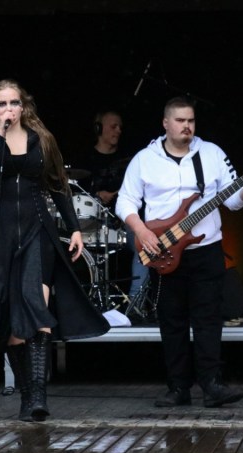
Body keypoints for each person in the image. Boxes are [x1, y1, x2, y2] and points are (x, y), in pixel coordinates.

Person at [0, 79, 109, 422]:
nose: (9, 109)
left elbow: (58, 185)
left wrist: (74, 227)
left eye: (14, 102)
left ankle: (40, 396)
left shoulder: (41, 139)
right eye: (2, 104)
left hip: (37, 233)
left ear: (24, 106)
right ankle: (27, 395)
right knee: (13, 321)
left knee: (36, 308)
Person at [116, 96, 243, 408]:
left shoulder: (212, 154)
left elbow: (233, 201)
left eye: (191, 120)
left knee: (208, 319)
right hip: (163, 250)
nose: (187, 126)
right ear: (165, 123)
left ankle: (212, 385)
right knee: (172, 321)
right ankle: (178, 388)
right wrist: (142, 231)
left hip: (206, 249)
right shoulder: (144, 159)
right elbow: (125, 201)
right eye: (180, 120)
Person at [75, 109, 150, 306]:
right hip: (91, 224)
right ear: (98, 128)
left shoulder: (129, 161)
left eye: (120, 127)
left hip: (123, 225)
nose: (118, 131)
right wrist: (96, 196)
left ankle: (135, 306)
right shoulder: (84, 159)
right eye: (113, 126)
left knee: (145, 247)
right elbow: (74, 195)